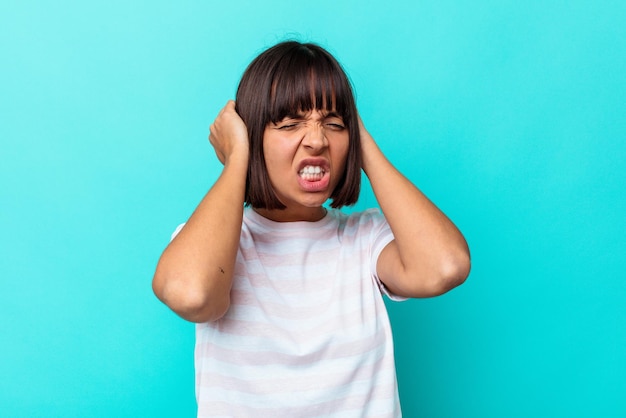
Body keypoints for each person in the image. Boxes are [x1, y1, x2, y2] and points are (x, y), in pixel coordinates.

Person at [152, 41, 470, 417]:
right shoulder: (217, 245)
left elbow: (446, 266)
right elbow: (191, 294)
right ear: (254, 138)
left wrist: (361, 145)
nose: (318, 140)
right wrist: (239, 158)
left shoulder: (365, 240)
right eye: (290, 124)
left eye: (334, 124)